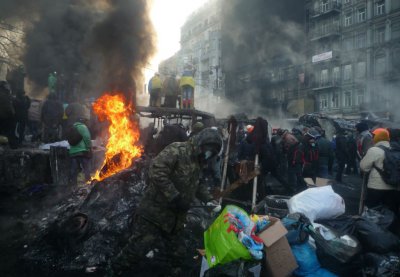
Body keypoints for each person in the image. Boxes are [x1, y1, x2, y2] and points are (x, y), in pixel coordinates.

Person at [109, 128, 222, 276]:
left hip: (175, 219)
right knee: (136, 250)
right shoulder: (177, 150)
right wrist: (174, 196)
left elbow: (197, 184)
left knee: (177, 255)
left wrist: (208, 200)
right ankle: (112, 271)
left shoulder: (199, 161)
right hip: (154, 213)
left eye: (213, 151)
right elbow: (157, 171)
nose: (209, 153)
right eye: (208, 148)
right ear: (201, 143)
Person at [360, 128, 398, 213]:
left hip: (376, 186)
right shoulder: (395, 150)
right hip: (393, 186)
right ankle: (388, 225)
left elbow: (364, 167)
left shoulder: (375, 150)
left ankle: (372, 225)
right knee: (389, 211)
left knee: (372, 209)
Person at [68, 118, 92, 186]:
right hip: (82, 152)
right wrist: (89, 148)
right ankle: (89, 184)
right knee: (86, 169)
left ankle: (73, 185)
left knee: (74, 170)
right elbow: (87, 138)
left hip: (73, 152)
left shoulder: (72, 127)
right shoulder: (83, 127)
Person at [0, 81, 17, 148]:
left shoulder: (5, 94)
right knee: (7, 132)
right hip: (6, 117)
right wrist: (13, 113)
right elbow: (8, 107)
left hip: (4, 116)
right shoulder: (5, 94)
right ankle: (8, 146)